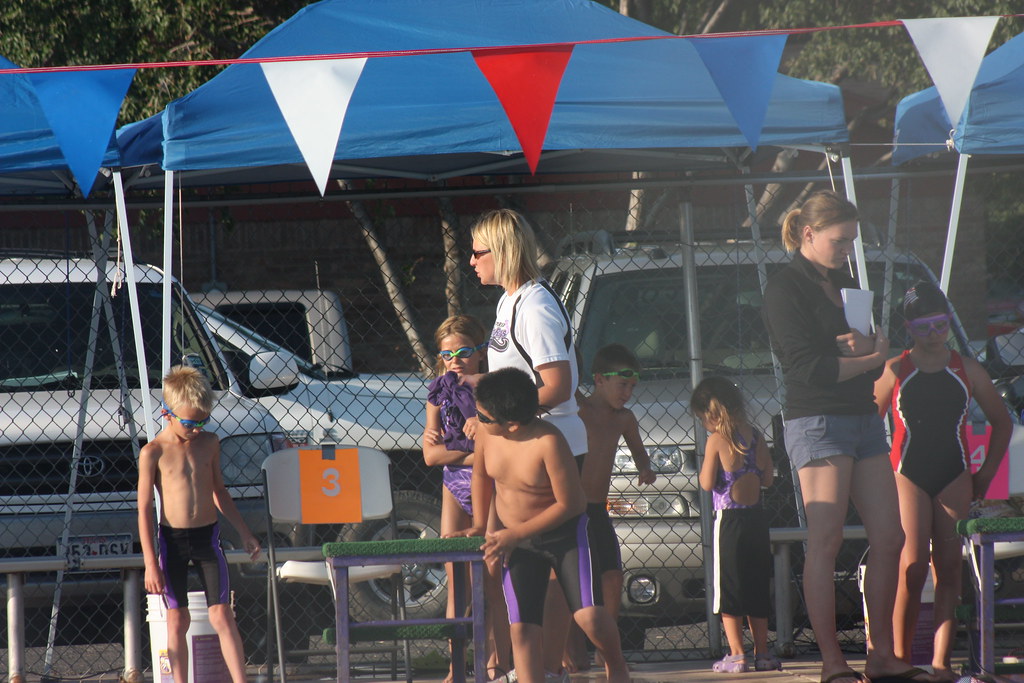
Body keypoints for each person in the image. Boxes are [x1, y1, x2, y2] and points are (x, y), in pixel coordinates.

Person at [761, 190, 936, 683]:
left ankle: (881, 655)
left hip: (861, 417)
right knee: (827, 537)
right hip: (817, 419)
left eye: (851, 241)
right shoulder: (784, 288)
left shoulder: (844, 282)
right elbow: (811, 369)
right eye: (839, 240)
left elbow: (867, 344)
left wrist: (871, 347)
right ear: (808, 234)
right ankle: (833, 662)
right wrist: (872, 358)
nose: (846, 250)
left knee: (890, 535)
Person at [469, 208, 599, 678]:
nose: (471, 261)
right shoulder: (509, 302)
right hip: (521, 446)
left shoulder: (536, 305)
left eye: (479, 251)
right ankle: (537, 670)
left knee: (550, 566)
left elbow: (558, 385)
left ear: (502, 252)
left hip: (551, 447)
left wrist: (500, 416)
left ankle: (553, 667)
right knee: (526, 566)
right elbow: (519, 381)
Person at [874, 283, 1012, 681]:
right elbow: (867, 424)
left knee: (949, 568)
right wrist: (877, 477)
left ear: (949, 323)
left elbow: (1001, 422)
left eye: (940, 325)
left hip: (954, 473)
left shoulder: (967, 369)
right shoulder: (895, 369)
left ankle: (941, 662)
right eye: (923, 328)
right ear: (908, 328)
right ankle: (900, 659)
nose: (933, 335)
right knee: (912, 566)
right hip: (908, 474)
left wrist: (985, 475)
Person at [458, 367, 630, 683]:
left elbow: (572, 504)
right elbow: (482, 476)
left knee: (589, 617)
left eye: (483, 417)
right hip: (518, 543)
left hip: (564, 538)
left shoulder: (548, 442)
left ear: (511, 424)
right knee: (522, 629)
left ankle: (617, 665)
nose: (477, 421)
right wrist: (481, 524)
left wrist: (514, 534)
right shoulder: (487, 434)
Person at [138, 366, 261, 683]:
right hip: (173, 541)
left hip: (208, 538)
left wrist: (244, 532)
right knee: (177, 619)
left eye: (203, 421)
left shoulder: (210, 443)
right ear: (167, 413)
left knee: (221, 613)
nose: (196, 429)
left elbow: (219, 491)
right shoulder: (153, 453)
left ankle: (240, 680)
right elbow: (143, 510)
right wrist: (151, 563)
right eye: (190, 423)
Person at [423, 314, 510, 681]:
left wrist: (461, 450)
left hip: (489, 485)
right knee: (455, 577)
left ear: (480, 353)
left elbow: (501, 449)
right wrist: (475, 451)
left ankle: (498, 661)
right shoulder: (437, 393)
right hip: (453, 486)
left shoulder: (492, 389)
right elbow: (431, 455)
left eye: (463, 352)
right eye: (447, 354)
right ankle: (455, 664)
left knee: (492, 576)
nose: (455, 361)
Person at [563, 343, 655, 669]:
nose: (627, 392)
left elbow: (639, 450)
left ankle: (607, 651)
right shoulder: (578, 410)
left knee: (613, 577)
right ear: (599, 379)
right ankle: (570, 656)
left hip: (597, 510)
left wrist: (645, 467)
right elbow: (564, 378)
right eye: (622, 385)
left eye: (632, 386)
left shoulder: (624, 419)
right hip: (572, 511)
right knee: (571, 585)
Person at [692, 376, 777, 674]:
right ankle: (763, 653)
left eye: (702, 419)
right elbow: (767, 479)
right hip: (756, 521)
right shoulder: (756, 436)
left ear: (713, 415)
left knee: (728, 587)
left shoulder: (716, 440)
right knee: (756, 584)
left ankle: (737, 654)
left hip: (728, 522)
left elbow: (705, 483)